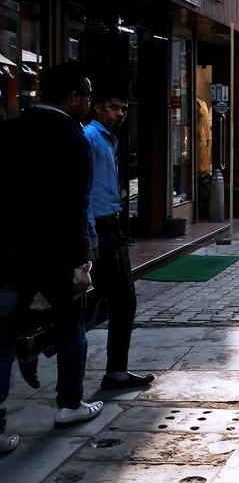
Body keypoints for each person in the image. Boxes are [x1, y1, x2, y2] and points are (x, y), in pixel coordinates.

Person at [0, 63, 102, 453]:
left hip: (8, 253)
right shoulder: (72, 138)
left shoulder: (10, 129)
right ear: (74, 98)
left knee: (2, 336)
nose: (88, 106)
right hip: (57, 253)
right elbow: (76, 204)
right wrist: (82, 260)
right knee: (70, 325)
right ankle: (70, 404)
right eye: (87, 98)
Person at [84, 86, 153, 391]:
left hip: (110, 226)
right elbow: (82, 190)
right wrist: (91, 238)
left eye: (123, 108)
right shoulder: (90, 139)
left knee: (107, 298)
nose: (120, 114)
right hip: (98, 229)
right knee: (121, 301)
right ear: (96, 108)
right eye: (113, 107)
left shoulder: (106, 139)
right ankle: (115, 373)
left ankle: (116, 370)